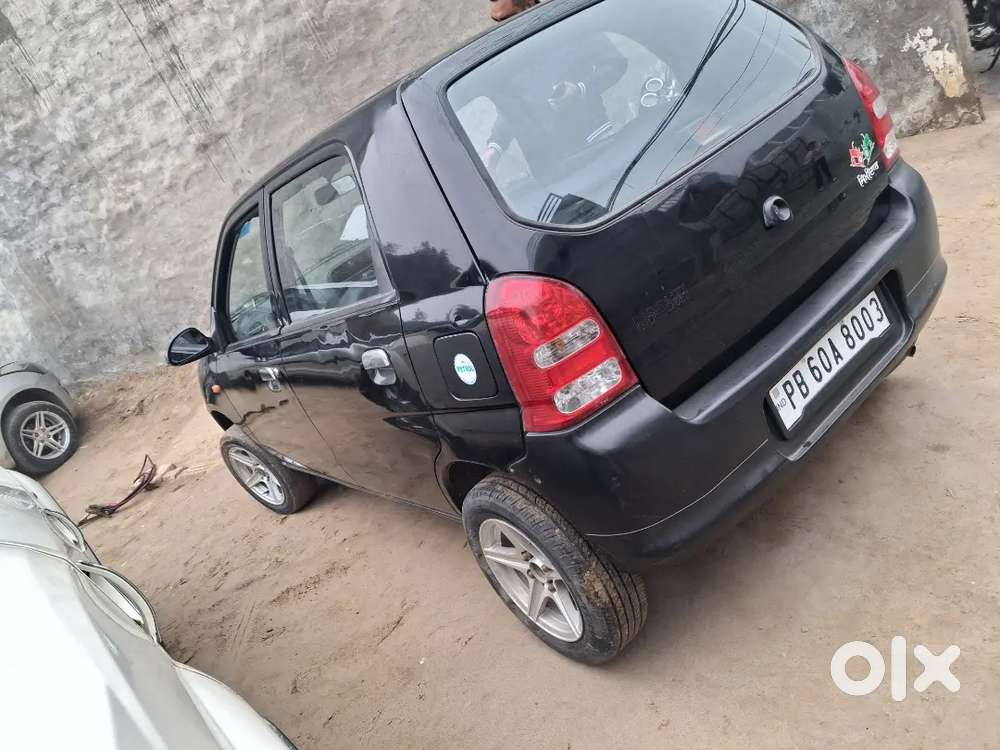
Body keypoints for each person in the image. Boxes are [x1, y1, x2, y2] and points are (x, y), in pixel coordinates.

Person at [481, 0, 628, 174]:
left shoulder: (570, 27)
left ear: (528, 5)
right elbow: (512, 108)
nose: (502, 30)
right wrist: (495, 147)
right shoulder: (508, 59)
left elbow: (614, 63)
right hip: (552, 168)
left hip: (596, 143)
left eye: (508, 19)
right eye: (497, 22)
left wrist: (580, 89)